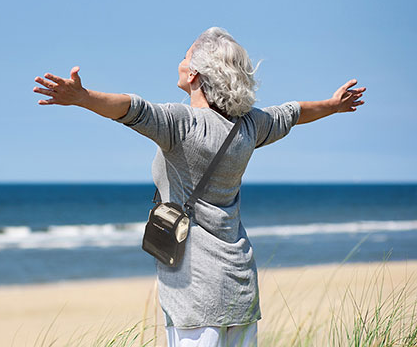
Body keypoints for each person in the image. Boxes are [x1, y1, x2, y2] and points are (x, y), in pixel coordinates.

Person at [32, 27, 366, 347]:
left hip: (196, 290)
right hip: (240, 284)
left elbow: (131, 108)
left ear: (194, 75)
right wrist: (333, 106)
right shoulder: (249, 126)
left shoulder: (182, 124)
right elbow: (292, 113)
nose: (179, 61)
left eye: (185, 56)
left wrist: (83, 97)